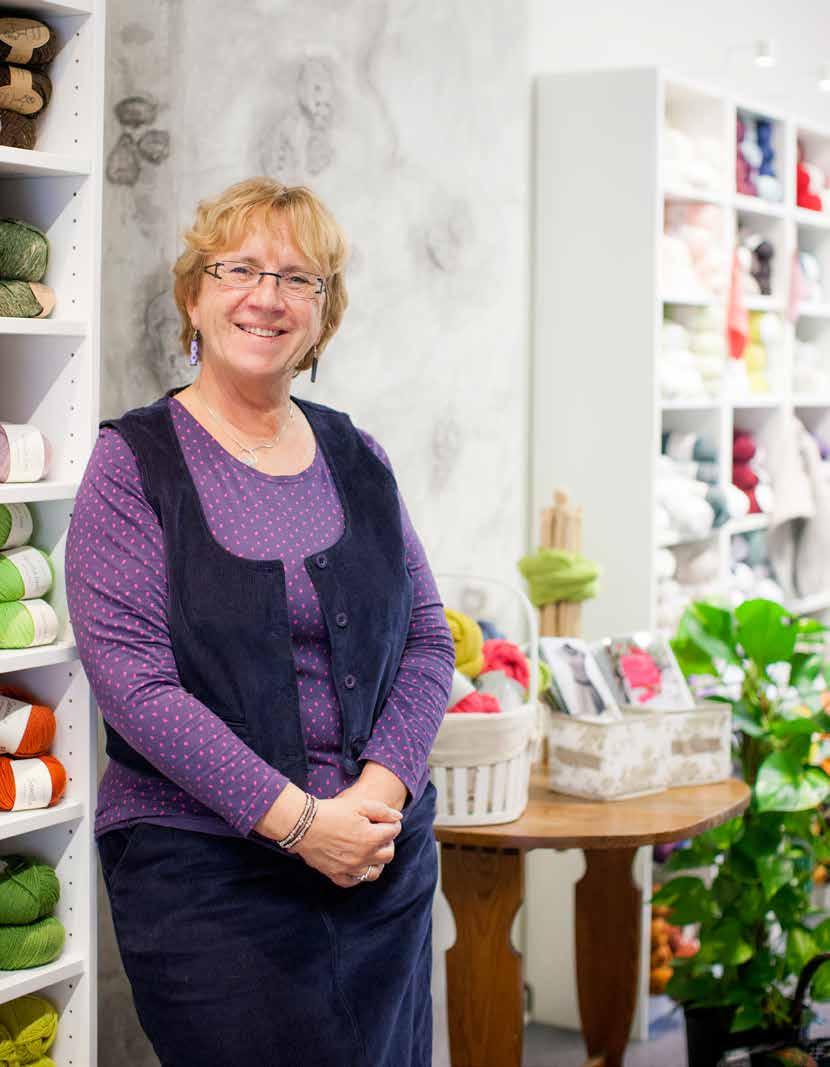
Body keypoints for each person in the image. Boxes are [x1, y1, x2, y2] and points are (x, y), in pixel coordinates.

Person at [66, 177, 456, 1067]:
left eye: (299, 278)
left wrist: (372, 800)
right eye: (238, 268)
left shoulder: (359, 453)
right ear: (194, 296)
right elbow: (135, 687)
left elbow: (429, 640)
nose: (267, 297)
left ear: (324, 315)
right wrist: (297, 823)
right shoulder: (133, 464)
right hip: (207, 877)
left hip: (376, 860)